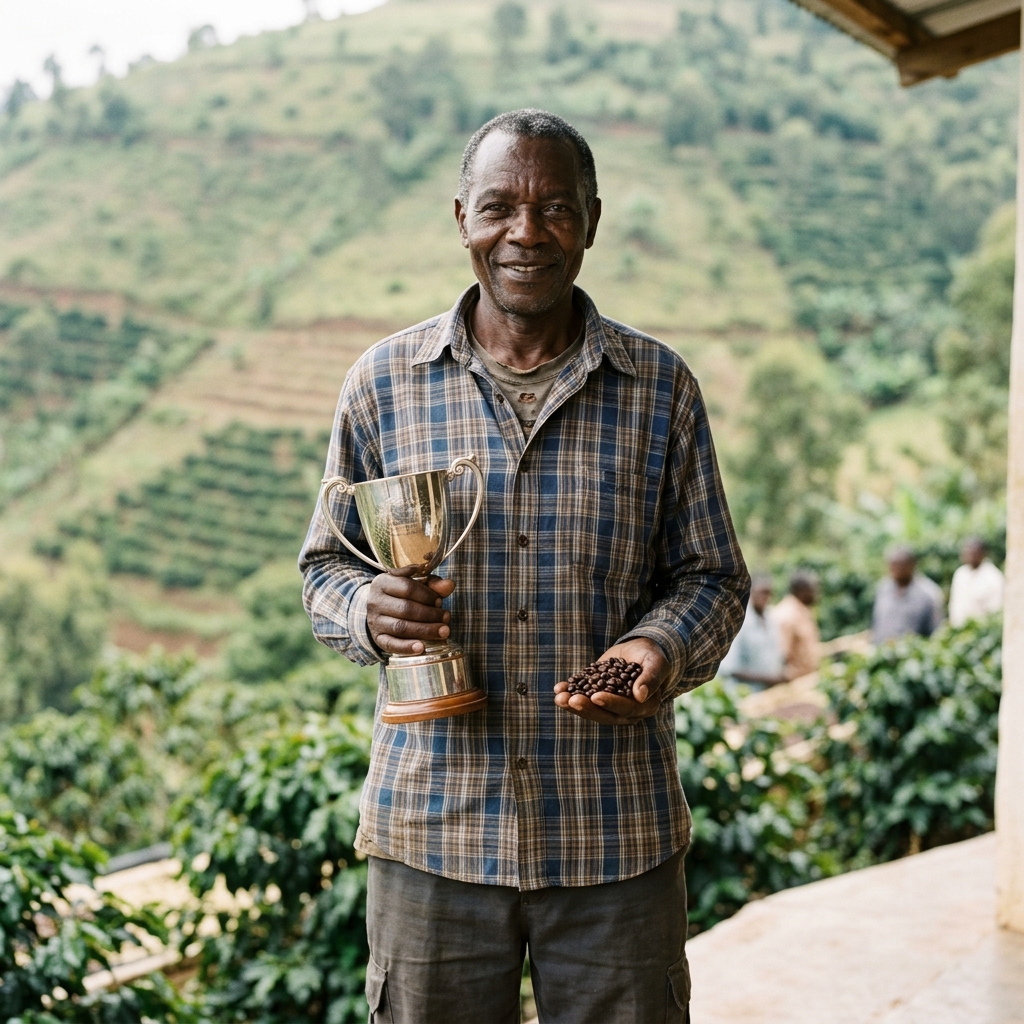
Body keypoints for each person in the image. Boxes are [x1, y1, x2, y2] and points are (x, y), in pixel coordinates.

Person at [299, 109, 749, 1024]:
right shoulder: (382, 381)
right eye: (500, 206)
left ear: (592, 217)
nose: (527, 232)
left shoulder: (660, 387)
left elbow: (712, 576)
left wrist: (656, 651)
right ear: (460, 218)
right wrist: (366, 612)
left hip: (614, 837)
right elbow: (324, 568)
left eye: (555, 208)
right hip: (431, 834)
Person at [720, 575, 786, 690]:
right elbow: (731, 668)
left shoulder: (770, 619)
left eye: (768, 593)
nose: (765, 597)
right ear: (750, 592)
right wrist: (768, 679)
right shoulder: (738, 620)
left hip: (768, 695)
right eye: (761, 592)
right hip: (745, 694)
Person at [872, 545, 944, 644]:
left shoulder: (929, 593)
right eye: (893, 564)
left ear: (913, 564)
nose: (897, 569)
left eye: (901, 564)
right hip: (882, 652)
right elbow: (877, 623)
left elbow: (936, 631)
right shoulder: (883, 588)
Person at [772, 570, 822, 679]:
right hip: (794, 684)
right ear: (802, 591)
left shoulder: (804, 611)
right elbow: (781, 656)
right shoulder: (787, 615)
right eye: (813, 590)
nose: (817, 594)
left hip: (808, 679)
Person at [948, 537, 1004, 627]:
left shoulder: (994, 577)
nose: (970, 556)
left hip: (982, 630)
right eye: (967, 553)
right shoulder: (960, 573)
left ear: (983, 554)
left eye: (973, 553)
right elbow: (955, 606)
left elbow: (995, 611)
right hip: (960, 629)